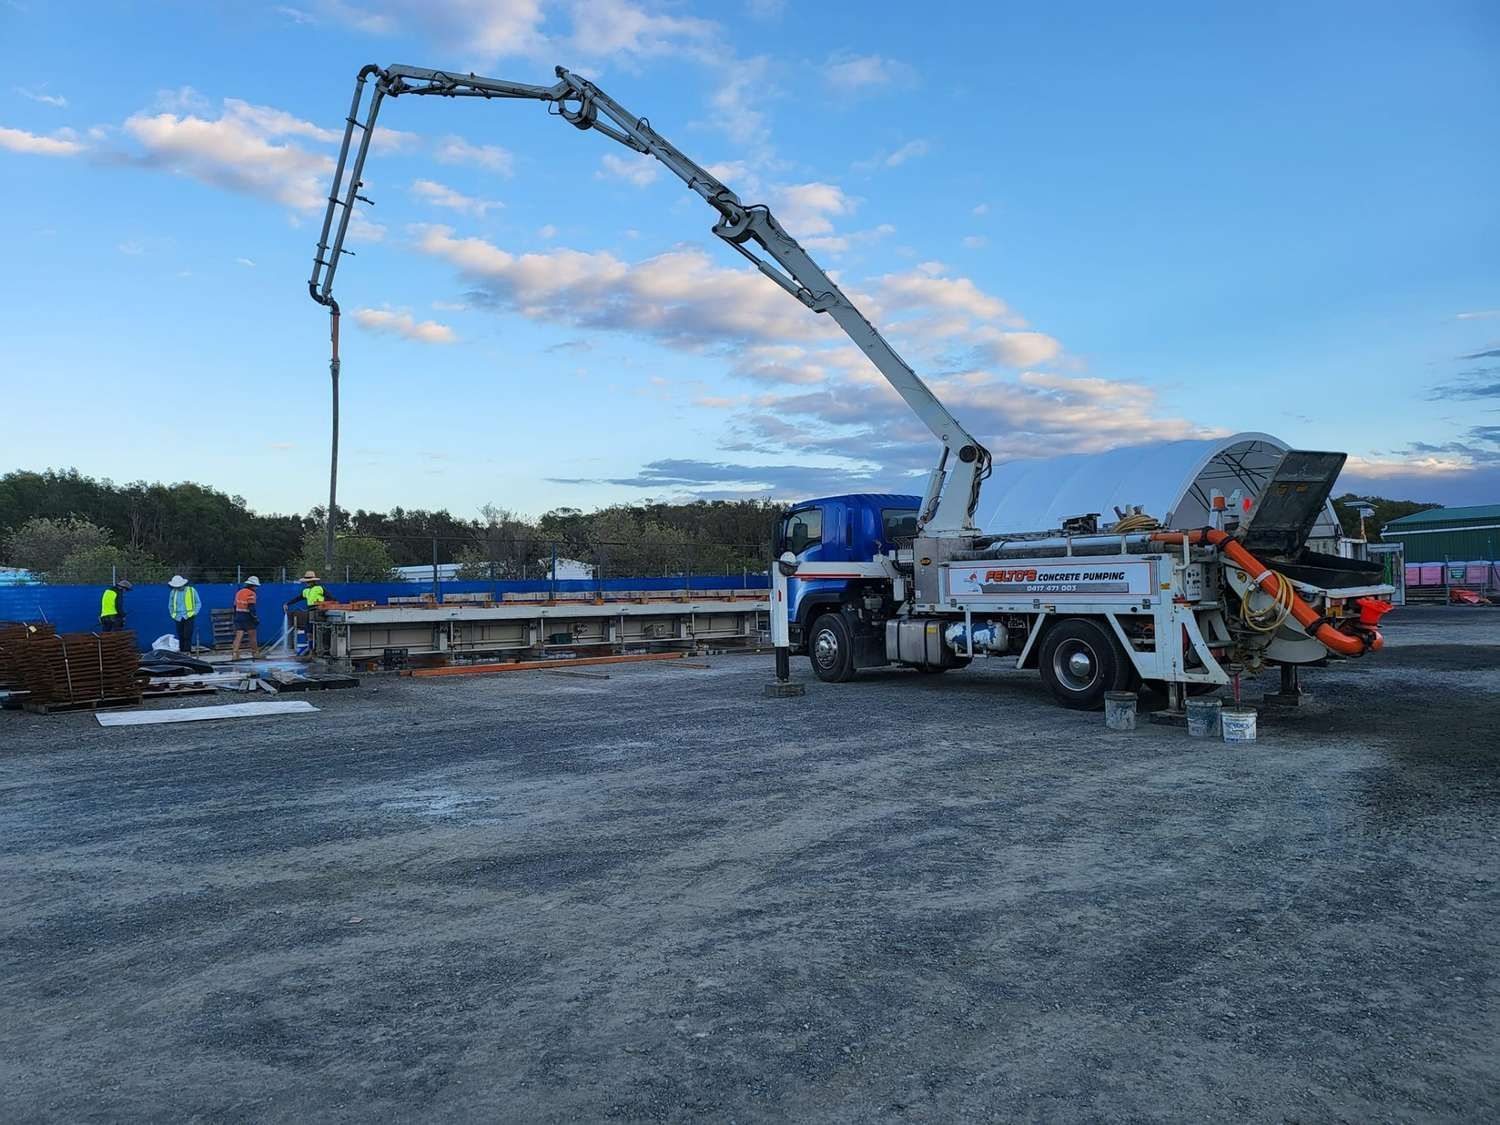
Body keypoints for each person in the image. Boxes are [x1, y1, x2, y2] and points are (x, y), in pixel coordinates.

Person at [284, 571, 330, 655]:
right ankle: (311, 649)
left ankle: (319, 649)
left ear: (313, 581)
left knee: (318, 630)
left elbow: (330, 597)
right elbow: (299, 598)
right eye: (306, 581)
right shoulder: (306, 590)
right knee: (309, 631)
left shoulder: (320, 588)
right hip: (310, 611)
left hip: (318, 610)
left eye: (308, 581)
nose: (307, 583)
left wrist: (324, 605)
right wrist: (288, 603)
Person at [167, 575, 201, 652]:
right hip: (178, 617)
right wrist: (173, 615)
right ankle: (182, 652)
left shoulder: (191, 590)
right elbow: (170, 605)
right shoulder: (173, 592)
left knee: (187, 635)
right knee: (181, 635)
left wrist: (194, 612)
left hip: (189, 616)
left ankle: (187, 652)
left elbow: (198, 603)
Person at [230, 576, 260, 661]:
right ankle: (255, 653)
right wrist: (255, 618)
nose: (257, 588)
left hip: (238, 615)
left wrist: (235, 616)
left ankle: (235, 654)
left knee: (238, 635)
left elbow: (235, 605)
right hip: (247, 616)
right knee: (252, 636)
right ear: (253, 585)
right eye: (256, 586)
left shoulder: (239, 592)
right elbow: (251, 607)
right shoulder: (251, 593)